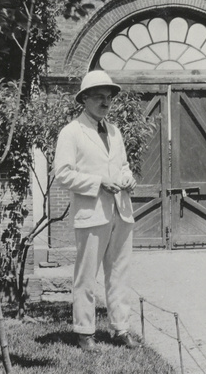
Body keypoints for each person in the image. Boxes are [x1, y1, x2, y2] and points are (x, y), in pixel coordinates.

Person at [54, 70, 140, 352]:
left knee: (119, 273)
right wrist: (98, 182)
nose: (106, 102)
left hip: (121, 211)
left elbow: (123, 166)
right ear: (85, 99)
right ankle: (85, 331)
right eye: (99, 97)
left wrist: (128, 178)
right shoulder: (71, 132)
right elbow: (63, 174)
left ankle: (120, 328)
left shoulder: (114, 132)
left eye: (109, 97)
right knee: (87, 275)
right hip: (91, 212)